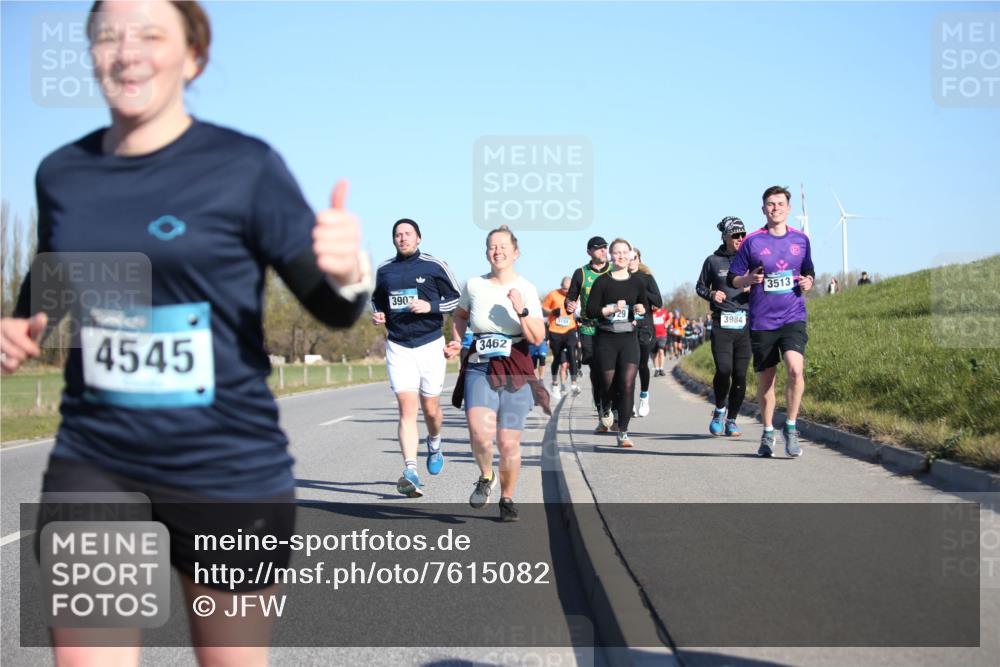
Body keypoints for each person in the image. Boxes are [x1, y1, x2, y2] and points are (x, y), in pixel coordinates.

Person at [0, 2, 369, 664]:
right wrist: (18, 327)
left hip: (227, 465)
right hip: (97, 459)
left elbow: (335, 310)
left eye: (150, 34)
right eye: (108, 36)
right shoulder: (61, 173)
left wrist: (348, 272)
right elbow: (51, 277)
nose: (126, 51)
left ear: (193, 57)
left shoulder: (245, 167)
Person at [445, 225, 548, 522]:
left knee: (507, 442)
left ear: (516, 252)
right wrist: (457, 339)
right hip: (480, 363)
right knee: (479, 432)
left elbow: (537, 337)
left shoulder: (526, 288)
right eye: (492, 246)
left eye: (503, 246)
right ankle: (486, 475)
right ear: (486, 252)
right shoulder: (474, 285)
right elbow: (460, 315)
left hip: (516, 364)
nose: (497, 251)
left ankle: (507, 498)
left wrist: (521, 310)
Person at [371, 218, 461, 497]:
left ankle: (434, 442)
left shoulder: (434, 265)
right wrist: (378, 314)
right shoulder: (384, 270)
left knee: (430, 409)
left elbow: (456, 299)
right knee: (407, 409)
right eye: (398, 234)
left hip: (430, 344)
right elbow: (376, 300)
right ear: (393, 239)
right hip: (398, 346)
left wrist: (430, 305)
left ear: (418, 238)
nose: (403, 238)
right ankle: (410, 471)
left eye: (408, 234)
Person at [729, 185, 815, 458]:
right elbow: (733, 277)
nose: (775, 208)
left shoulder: (801, 239)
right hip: (762, 320)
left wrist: (809, 281)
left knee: (795, 370)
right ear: (763, 209)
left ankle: (790, 427)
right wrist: (747, 279)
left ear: (789, 209)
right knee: (767, 379)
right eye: (770, 204)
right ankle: (767, 432)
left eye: (780, 204)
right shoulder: (752, 241)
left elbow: (808, 270)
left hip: (793, 316)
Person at [585, 238, 656, 448]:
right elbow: (590, 311)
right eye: (617, 252)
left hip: (629, 339)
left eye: (625, 252)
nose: (621, 256)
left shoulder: (638, 282)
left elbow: (643, 307)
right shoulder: (602, 282)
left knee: (626, 384)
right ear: (611, 256)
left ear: (631, 255)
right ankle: (605, 406)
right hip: (606, 338)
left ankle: (623, 432)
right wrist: (611, 309)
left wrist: (640, 310)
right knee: (607, 384)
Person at [696, 216, 751, 437]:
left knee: (740, 375)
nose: (740, 238)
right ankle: (719, 410)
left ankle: (732, 420)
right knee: (724, 369)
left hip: (746, 323)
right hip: (722, 322)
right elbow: (700, 287)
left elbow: (764, 284)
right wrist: (711, 294)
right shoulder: (713, 261)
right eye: (735, 234)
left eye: (743, 234)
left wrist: (753, 288)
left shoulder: (751, 259)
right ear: (725, 236)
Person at [565, 236, 612, 430]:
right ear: (589, 252)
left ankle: (613, 407)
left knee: (612, 370)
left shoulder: (614, 269)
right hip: (588, 328)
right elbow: (570, 298)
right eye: (598, 248)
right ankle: (602, 409)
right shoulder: (581, 273)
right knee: (597, 371)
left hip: (611, 327)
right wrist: (569, 305)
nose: (603, 251)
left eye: (605, 247)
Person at [628, 248, 662, 417]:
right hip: (627, 326)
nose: (631, 260)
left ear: (639, 259)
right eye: (628, 257)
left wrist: (643, 291)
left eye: (634, 257)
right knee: (628, 366)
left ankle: (644, 396)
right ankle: (629, 402)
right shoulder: (619, 278)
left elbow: (658, 302)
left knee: (641, 364)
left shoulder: (647, 278)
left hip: (644, 327)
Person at [541, 276, 581, 399]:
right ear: (560, 286)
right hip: (555, 331)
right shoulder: (553, 294)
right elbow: (543, 310)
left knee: (572, 355)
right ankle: (554, 383)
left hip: (570, 329)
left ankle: (574, 384)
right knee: (557, 358)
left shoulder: (576, 296)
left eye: (568, 289)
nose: (566, 291)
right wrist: (552, 312)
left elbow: (580, 310)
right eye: (564, 289)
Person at [651, 304, 669, 377]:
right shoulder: (651, 312)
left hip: (662, 335)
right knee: (654, 353)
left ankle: (661, 369)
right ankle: (657, 369)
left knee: (661, 351)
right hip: (653, 336)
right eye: (653, 304)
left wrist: (667, 323)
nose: (654, 306)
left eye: (655, 304)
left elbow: (669, 318)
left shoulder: (664, 312)